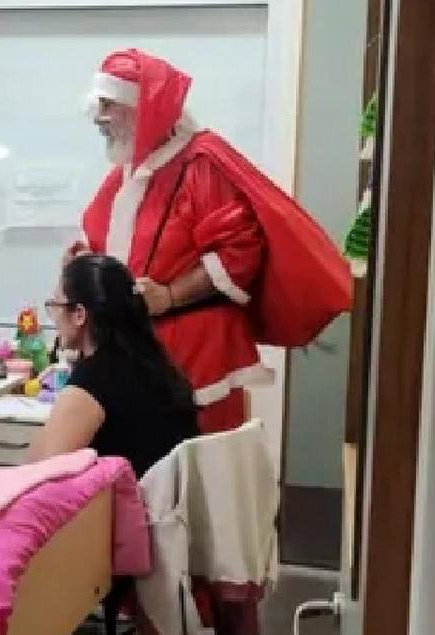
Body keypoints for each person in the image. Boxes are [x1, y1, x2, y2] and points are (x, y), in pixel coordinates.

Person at [73, 48, 353, 433]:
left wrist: (169, 295)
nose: (98, 118)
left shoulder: (199, 164)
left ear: (144, 109)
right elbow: (99, 232)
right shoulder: (130, 170)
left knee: (198, 474)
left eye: (109, 105)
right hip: (139, 349)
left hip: (196, 355)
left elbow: (239, 252)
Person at [28, 254, 198, 477]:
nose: (54, 317)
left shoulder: (93, 380)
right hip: (166, 506)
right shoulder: (155, 363)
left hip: (123, 508)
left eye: (55, 305)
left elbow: (38, 473)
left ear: (79, 314)